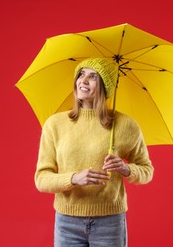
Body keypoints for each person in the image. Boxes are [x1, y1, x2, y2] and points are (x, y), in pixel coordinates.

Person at [34, 57, 154, 247]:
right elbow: (41, 179)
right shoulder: (55, 124)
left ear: (105, 86)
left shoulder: (125, 125)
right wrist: (74, 178)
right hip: (67, 222)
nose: (83, 80)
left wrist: (126, 169)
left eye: (93, 77)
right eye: (81, 74)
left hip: (110, 222)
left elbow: (147, 171)